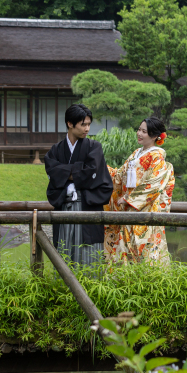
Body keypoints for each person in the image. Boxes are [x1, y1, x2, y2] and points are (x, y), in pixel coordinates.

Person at [44, 104, 114, 266]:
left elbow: (90, 173)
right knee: (63, 250)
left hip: (87, 206)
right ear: (70, 124)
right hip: (64, 207)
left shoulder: (94, 147)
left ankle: (89, 291)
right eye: (83, 124)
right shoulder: (56, 150)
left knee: (88, 254)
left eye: (89, 124)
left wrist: (64, 173)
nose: (87, 128)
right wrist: (78, 171)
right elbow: (52, 170)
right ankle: (63, 288)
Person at [104, 117, 175, 265]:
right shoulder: (136, 153)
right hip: (128, 209)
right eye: (139, 129)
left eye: (144, 131)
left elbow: (154, 185)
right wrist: (102, 168)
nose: (139, 133)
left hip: (145, 210)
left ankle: (148, 283)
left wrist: (130, 198)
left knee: (146, 251)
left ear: (155, 136)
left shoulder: (157, 157)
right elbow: (120, 176)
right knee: (125, 249)